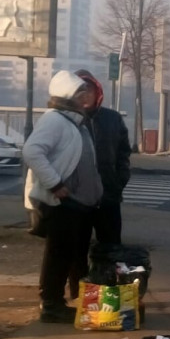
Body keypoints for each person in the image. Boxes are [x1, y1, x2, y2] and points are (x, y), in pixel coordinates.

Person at [23, 70, 103, 323]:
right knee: (58, 254)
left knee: (70, 254)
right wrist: (55, 184)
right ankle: (51, 304)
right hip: (63, 202)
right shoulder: (55, 120)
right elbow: (32, 151)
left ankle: (64, 301)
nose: (85, 96)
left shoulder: (75, 121)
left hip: (79, 203)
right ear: (68, 95)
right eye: (80, 92)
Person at [75, 69, 131, 244]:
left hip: (108, 196)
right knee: (76, 249)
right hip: (76, 199)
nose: (85, 95)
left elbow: (124, 152)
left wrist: (119, 181)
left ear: (97, 91)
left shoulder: (113, 119)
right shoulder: (66, 120)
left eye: (89, 89)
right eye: (80, 90)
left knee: (110, 246)